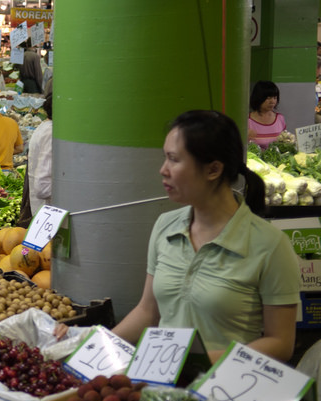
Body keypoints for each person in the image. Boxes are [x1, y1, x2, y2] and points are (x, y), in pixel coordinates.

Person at [106, 110, 299, 362]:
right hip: (162, 388)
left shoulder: (271, 246)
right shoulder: (166, 226)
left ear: (213, 169)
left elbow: (280, 343)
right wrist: (95, 345)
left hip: (226, 393)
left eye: (174, 160)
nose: (163, 170)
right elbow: (148, 311)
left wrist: (195, 362)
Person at [27, 92, 53, 214]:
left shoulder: (45, 127)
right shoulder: (51, 132)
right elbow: (42, 188)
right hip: (49, 210)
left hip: (44, 209)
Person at [247, 80, 285, 147]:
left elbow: (284, 141)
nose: (272, 101)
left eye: (275, 98)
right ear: (258, 98)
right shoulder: (247, 120)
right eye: (268, 98)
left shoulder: (280, 118)